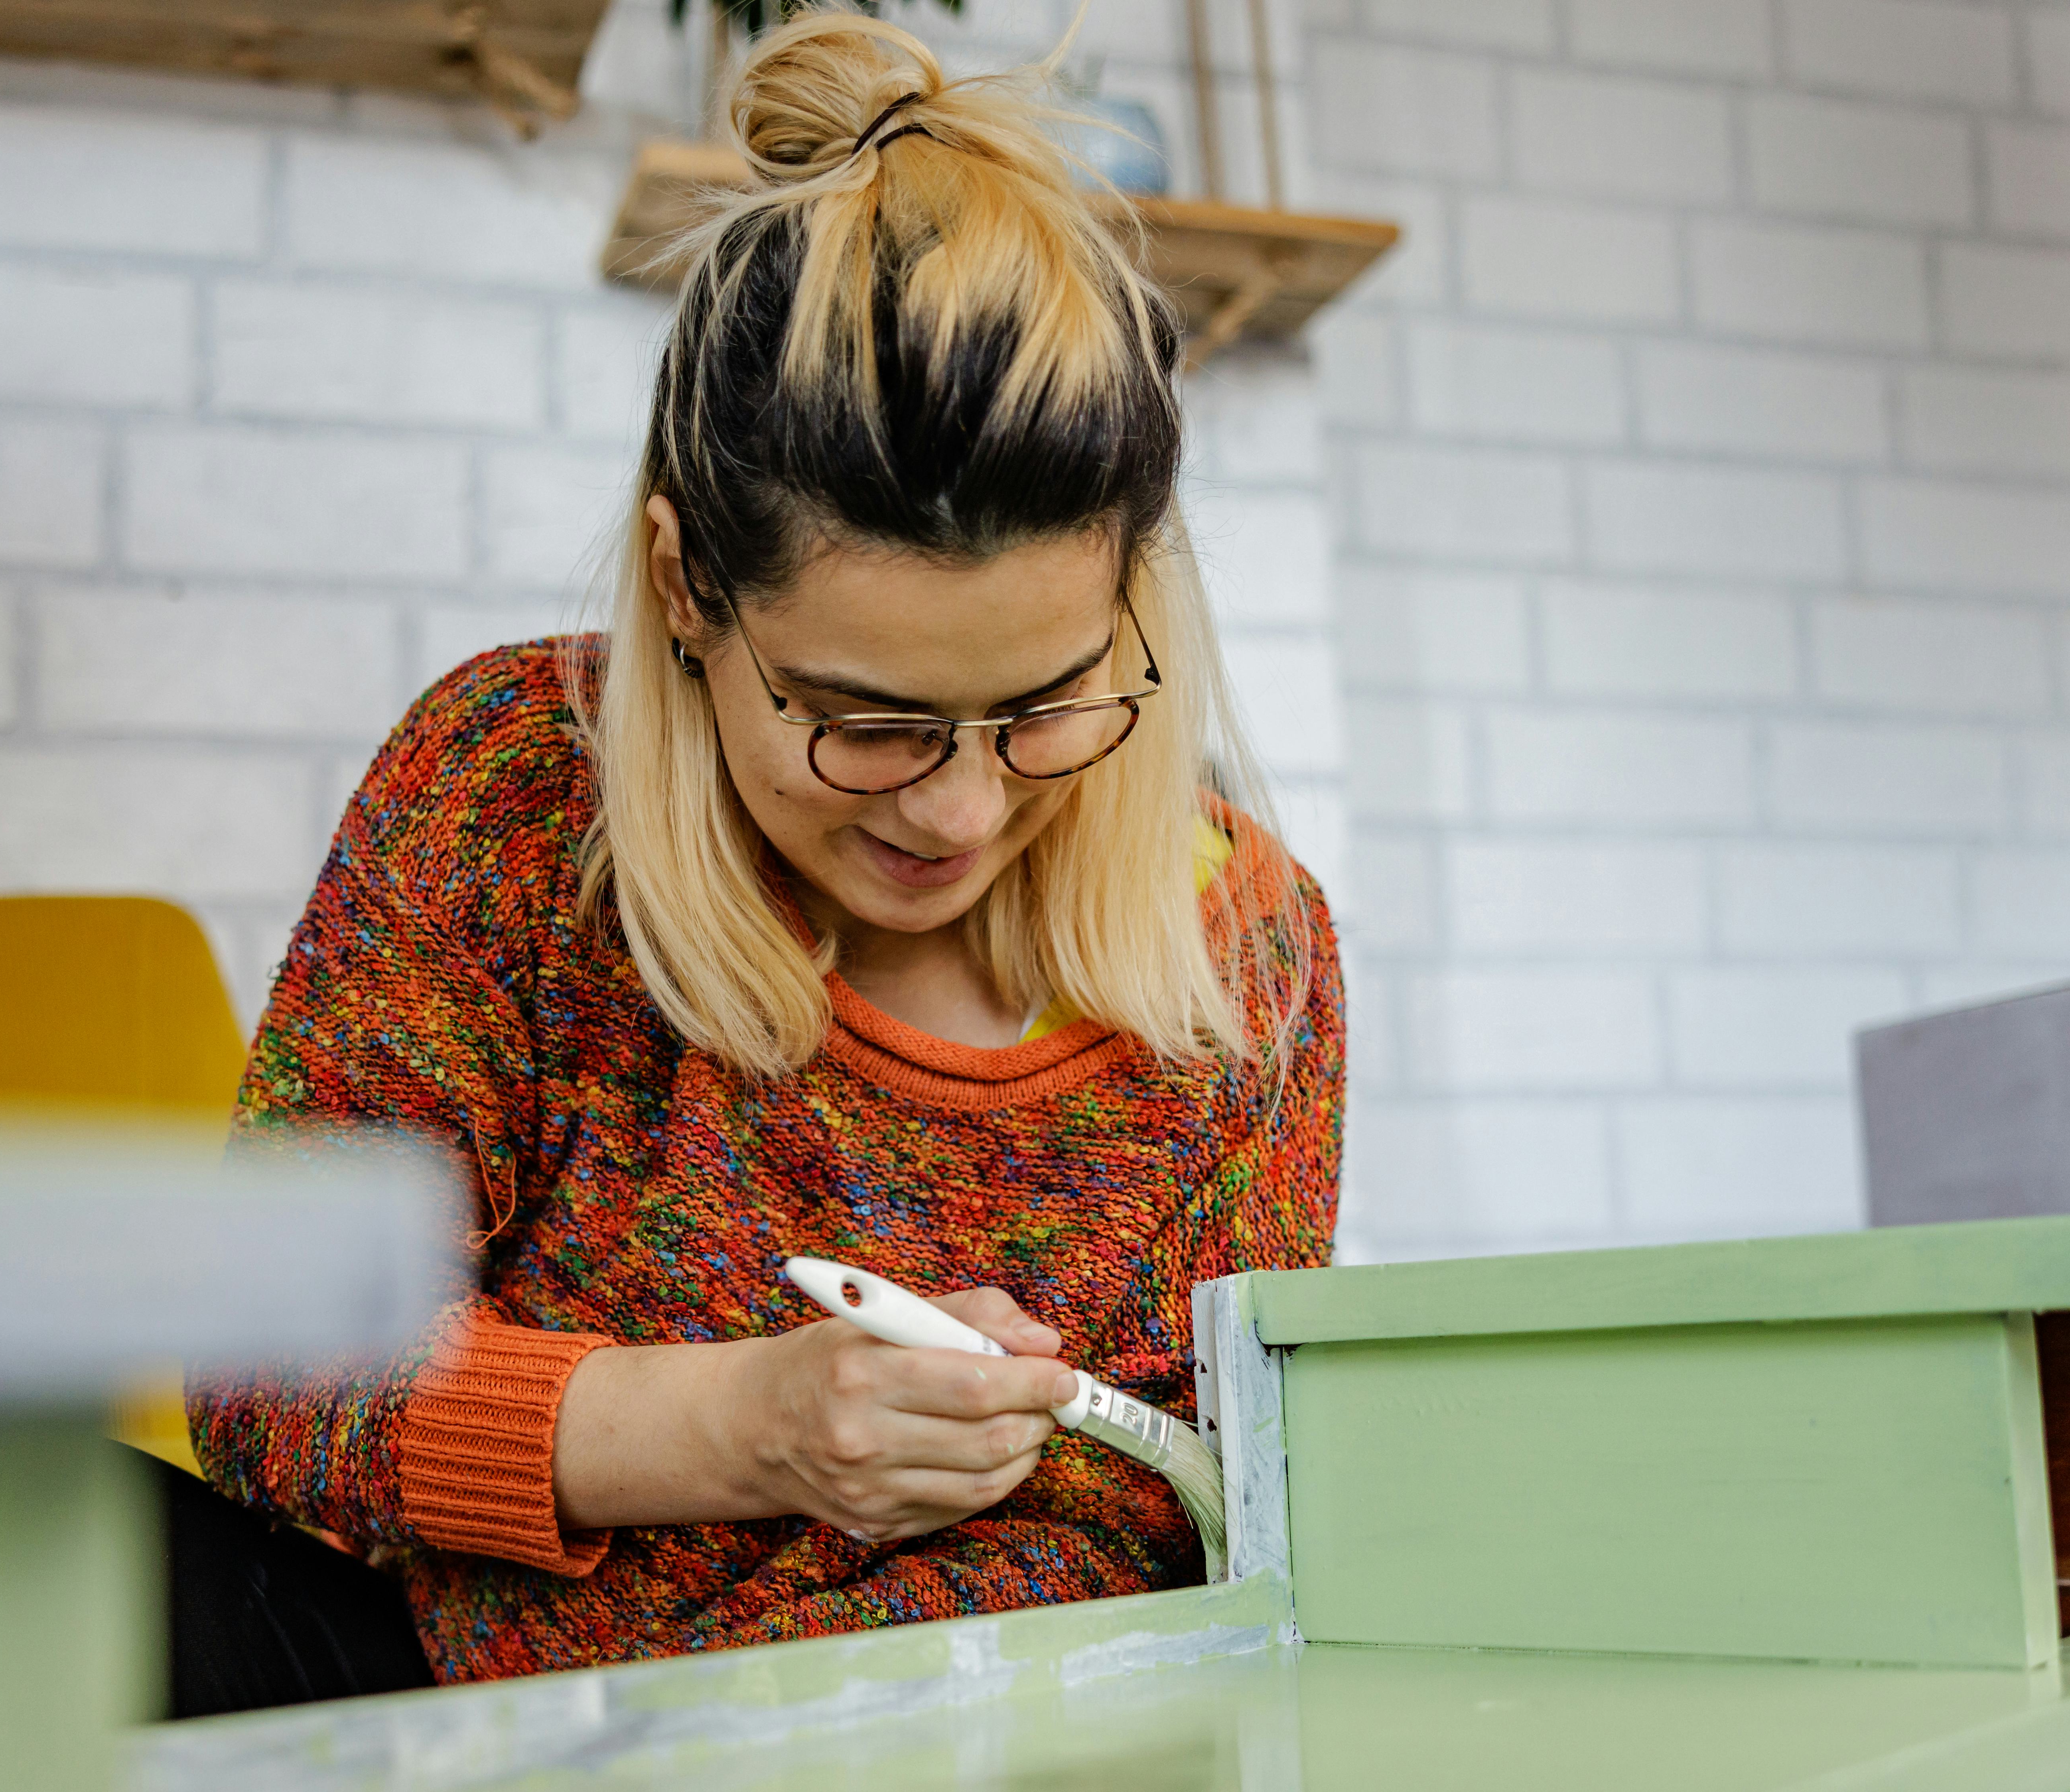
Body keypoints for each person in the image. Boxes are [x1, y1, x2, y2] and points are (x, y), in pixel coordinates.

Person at [171, 12, 1343, 1705]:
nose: (956, 813)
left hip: (995, 1784)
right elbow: (273, 1369)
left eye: (1042, 707)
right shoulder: (511, 787)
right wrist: (747, 1426)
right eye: (865, 724)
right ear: (683, 587)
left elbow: (1226, 1521)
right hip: (476, 1734)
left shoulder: (1252, 950)